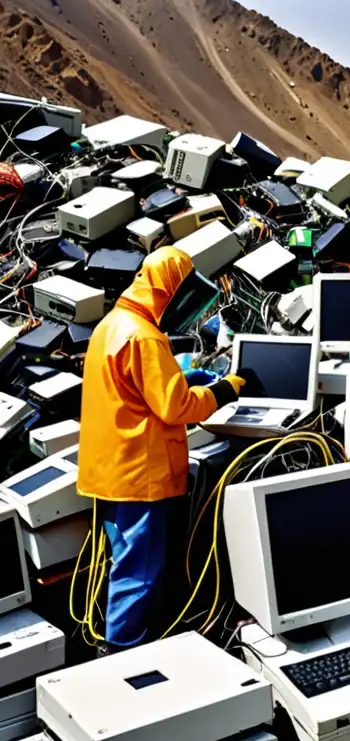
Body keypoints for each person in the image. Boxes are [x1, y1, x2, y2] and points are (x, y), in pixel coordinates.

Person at [78, 246, 244, 655]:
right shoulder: (145, 337)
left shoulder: (113, 324)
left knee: (124, 560)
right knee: (141, 569)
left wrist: (183, 374)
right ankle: (124, 650)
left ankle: (117, 637)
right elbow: (177, 408)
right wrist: (226, 388)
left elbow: (133, 388)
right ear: (169, 290)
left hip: (109, 469)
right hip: (141, 475)